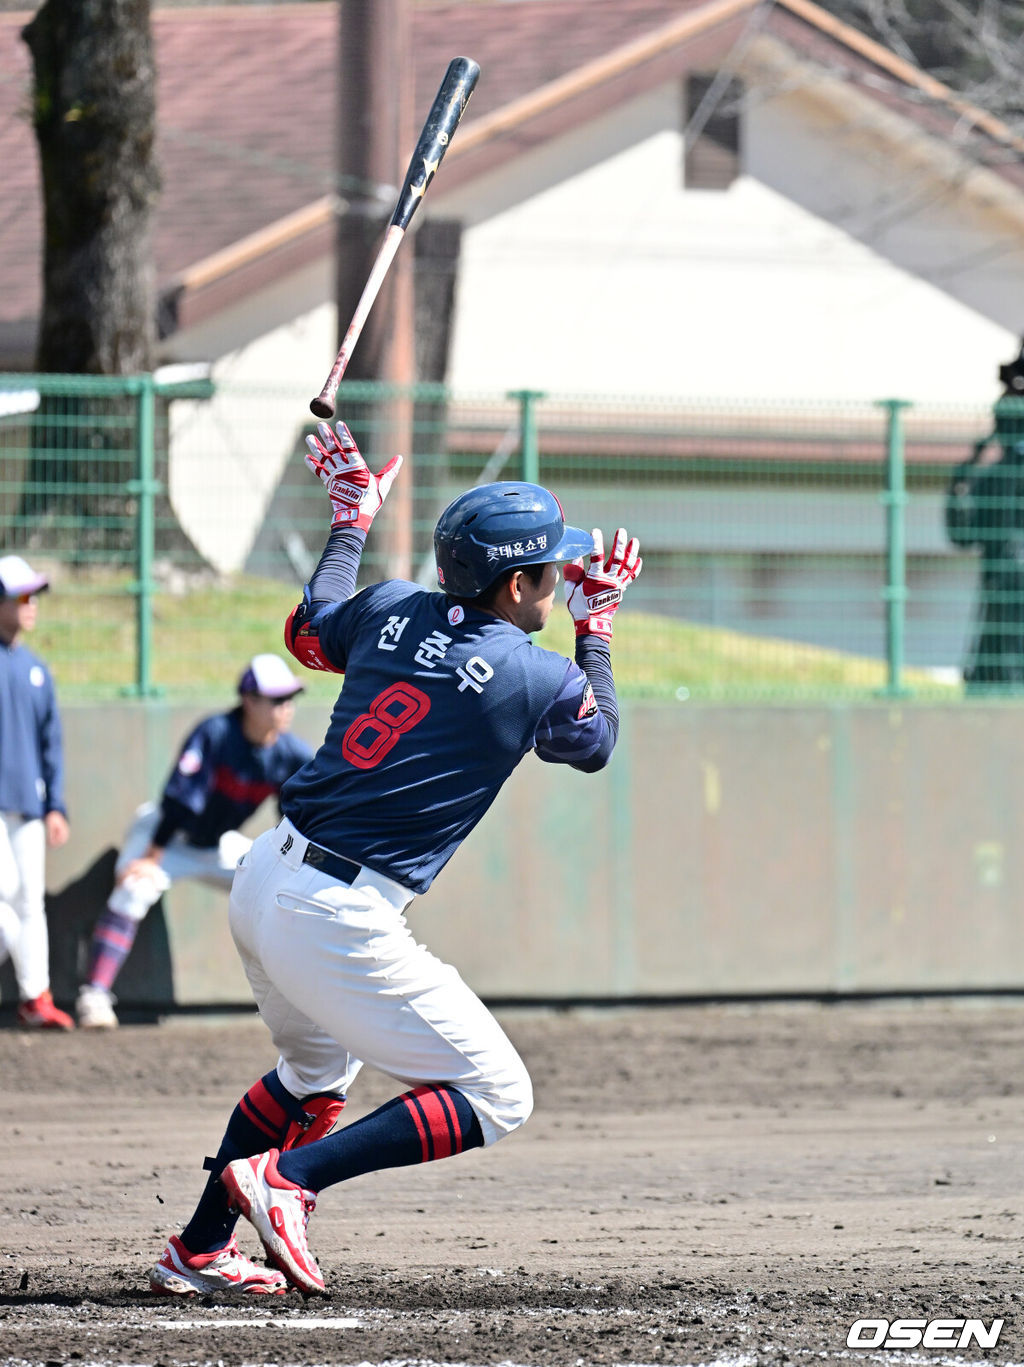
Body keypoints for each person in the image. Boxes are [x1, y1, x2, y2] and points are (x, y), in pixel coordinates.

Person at [148, 420, 641, 1297]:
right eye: (552, 571)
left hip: (268, 877)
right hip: (335, 909)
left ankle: (198, 1248)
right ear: (516, 582)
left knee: (311, 1076)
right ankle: (288, 1181)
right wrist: (594, 628)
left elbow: (306, 633)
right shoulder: (535, 674)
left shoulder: (391, 605)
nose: (562, 578)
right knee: (496, 1093)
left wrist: (350, 517)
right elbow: (596, 739)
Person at [75, 653, 312, 1030]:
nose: (286, 708)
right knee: (136, 888)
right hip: (164, 835)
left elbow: (295, 819)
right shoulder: (216, 732)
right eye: (277, 699)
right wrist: (152, 856)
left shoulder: (290, 753)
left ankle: (303, 1002)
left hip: (215, 845)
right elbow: (181, 800)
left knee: (284, 891)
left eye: (290, 699)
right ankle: (94, 996)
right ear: (249, 701)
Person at [0, 554, 73, 1030]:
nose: (31, 605)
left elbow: (51, 742)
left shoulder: (36, 669)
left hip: (28, 805)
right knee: (4, 892)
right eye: (21, 596)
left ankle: (35, 997)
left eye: (33, 596)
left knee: (29, 901)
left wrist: (55, 807)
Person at [946, 341, 1024, 692]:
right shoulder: (991, 479)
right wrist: (959, 486)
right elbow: (962, 534)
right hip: (1000, 592)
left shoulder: (991, 477)